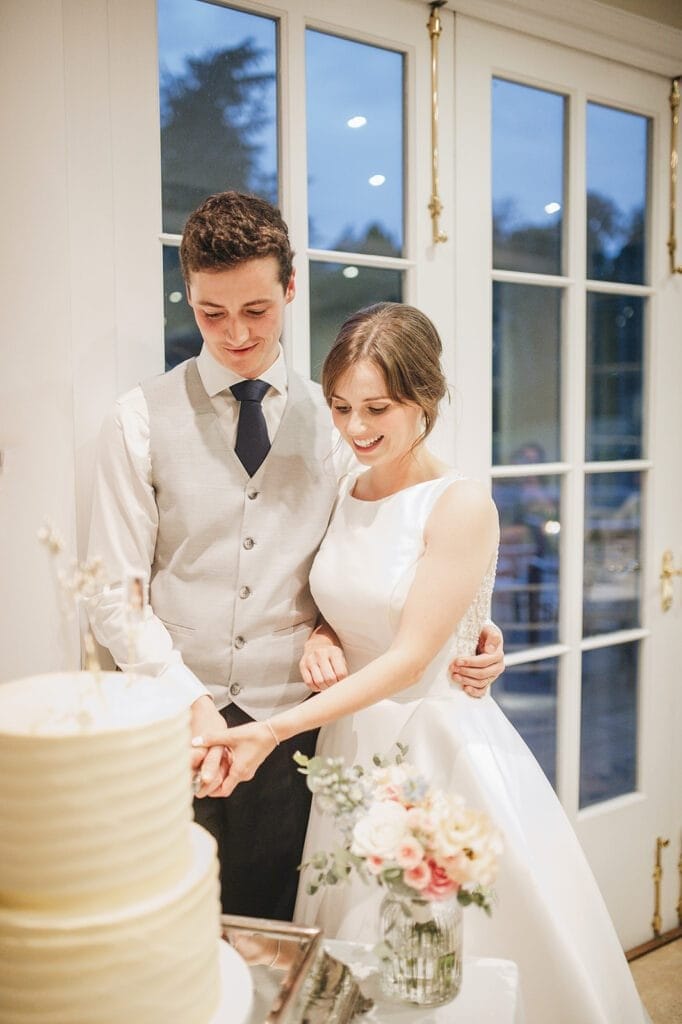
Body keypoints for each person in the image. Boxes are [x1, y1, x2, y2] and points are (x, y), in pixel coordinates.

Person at [195, 302, 648, 1023]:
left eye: (378, 407)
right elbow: (347, 590)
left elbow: (409, 658)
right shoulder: (349, 483)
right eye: (342, 406)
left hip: (435, 748)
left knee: (444, 959)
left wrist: (273, 731)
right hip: (353, 747)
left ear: (425, 398)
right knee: (361, 956)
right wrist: (322, 631)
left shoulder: (460, 503)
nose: (355, 427)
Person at [86, 192, 505, 921]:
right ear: (188, 296)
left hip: (304, 726)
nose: (236, 334)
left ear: (288, 288)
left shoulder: (343, 416)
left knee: (287, 928)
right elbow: (114, 594)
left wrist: (458, 629)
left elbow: (376, 552)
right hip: (173, 722)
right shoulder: (136, 420)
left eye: (256, 309)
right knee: (168, 927)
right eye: (211, 314)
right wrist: (190, 701)